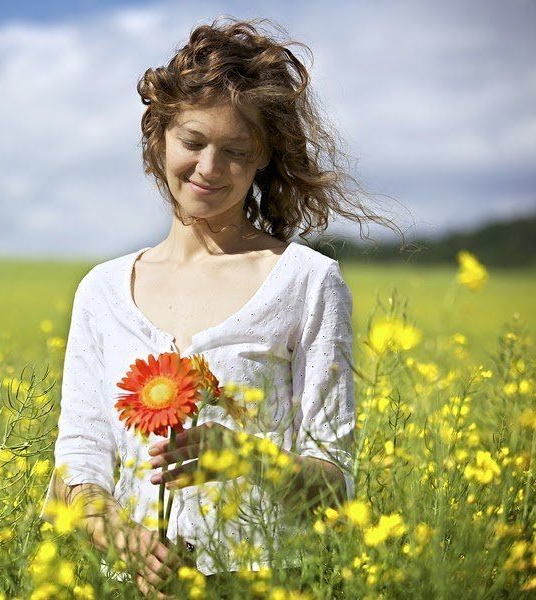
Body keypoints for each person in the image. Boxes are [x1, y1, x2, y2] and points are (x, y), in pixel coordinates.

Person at [40, 16, 404, 599]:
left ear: (262, 159)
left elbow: (336, 483)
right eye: (193, 142)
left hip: (267, 584)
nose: (209, 169)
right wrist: (120, 534)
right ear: (158, 138)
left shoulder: (309, 283)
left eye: (235, 151)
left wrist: (244, 457)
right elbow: (78, 464)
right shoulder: (102, 291)